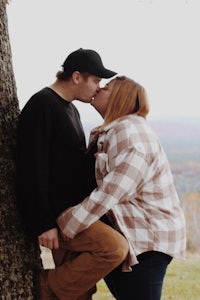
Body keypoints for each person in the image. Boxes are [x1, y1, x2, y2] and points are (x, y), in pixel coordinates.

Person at [57, 76, 187, 300]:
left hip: (147, 240)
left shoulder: (131, 133)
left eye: (105, 87)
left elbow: (113, 191)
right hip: (129, 234)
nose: (98, 88)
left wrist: (68, 224)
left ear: (120, 97)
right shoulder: (111, 131)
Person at [16, 49, 129, 300]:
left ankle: (49, 290)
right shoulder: (42, 105)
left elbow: (73, 164)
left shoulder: (70, 109)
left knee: (79, 293)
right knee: (114, 248)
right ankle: (43, 286)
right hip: (58, 217)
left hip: (76, 214)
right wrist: (43, 223)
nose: (98, 88)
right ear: (76, 77)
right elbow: (31, 167)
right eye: (95, 81)